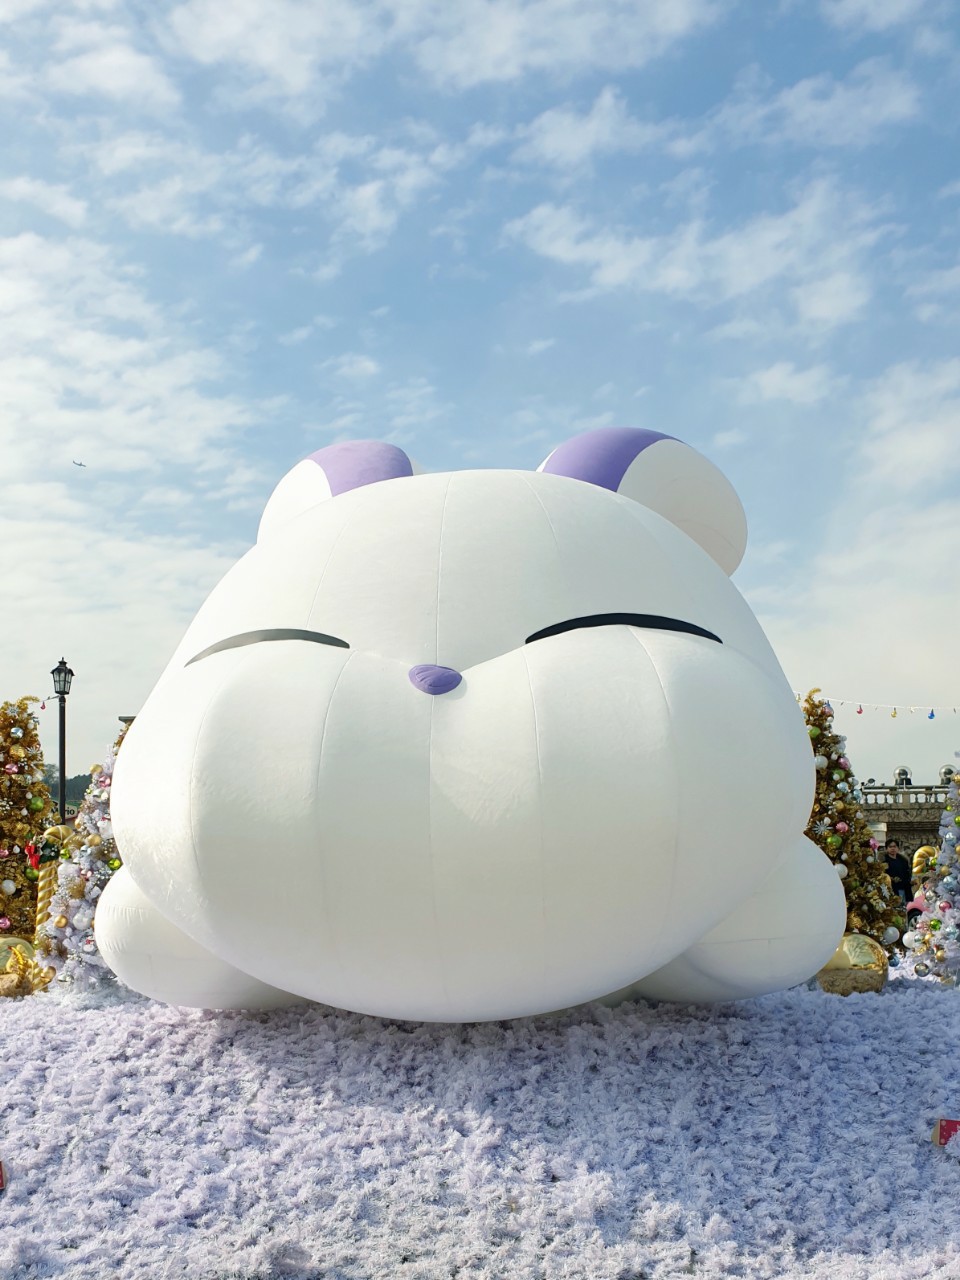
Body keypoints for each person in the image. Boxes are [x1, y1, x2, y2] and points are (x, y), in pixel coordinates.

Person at [884, 839, 912, 905]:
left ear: (898, 848)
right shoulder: (884, 862)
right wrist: (892, 879)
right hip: (892, 890)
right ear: (886, 849)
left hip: (905, 889)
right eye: (890, 847)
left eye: (894, 846)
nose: (892, 848)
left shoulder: (903, 861)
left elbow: (907, 874)